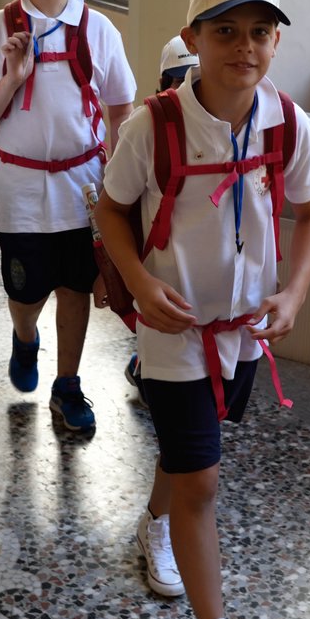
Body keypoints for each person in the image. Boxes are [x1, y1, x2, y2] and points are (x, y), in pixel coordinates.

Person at [94, 0, 310, 619]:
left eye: (260, 31)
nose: (245, 46)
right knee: (203, 480)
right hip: (173, 333)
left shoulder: (287, 123)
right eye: (225, 30)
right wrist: (134, 280)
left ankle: (152, 523)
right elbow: (110, 209)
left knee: (189, 451)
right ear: (193, 39)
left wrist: (293, 293)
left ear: (277, 41)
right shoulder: (154, 126)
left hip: (244, 336)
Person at [0, 0, 136, 433]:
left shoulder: (97, 30)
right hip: (17, 182)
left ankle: (67, 383)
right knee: (24, 288)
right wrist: (14, 78)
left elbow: (121, 108)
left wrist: (116, 181)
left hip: (81, 183)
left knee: (75, 284)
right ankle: (25, 335)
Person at [122, 33, 203, 391]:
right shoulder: (143, 127)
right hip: (157, 261)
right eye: (178, 80)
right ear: (163, 85)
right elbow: (117, 210)